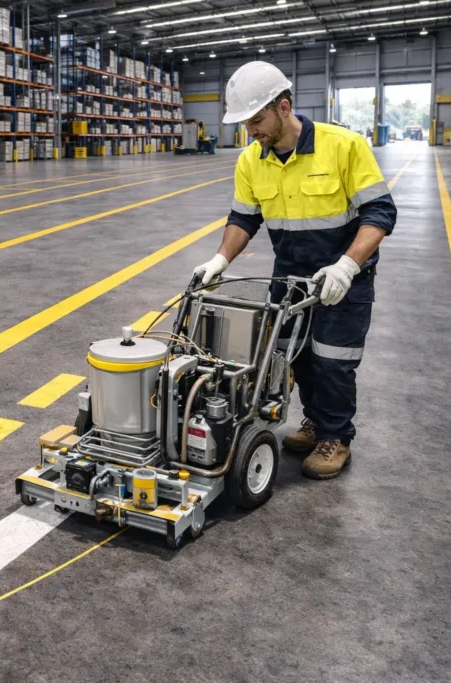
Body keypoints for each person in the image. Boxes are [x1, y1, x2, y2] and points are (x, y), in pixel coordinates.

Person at [192, 61, 397, 480]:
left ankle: (336, 437)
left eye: (257, 120)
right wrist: (220, 259)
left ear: (283, 108)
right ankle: (316, 421)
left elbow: (380, 212)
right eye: (245, 124)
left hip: (343, 279)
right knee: (293, 358)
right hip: (289, 281)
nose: (251, 132)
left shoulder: (344, 146)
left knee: (333, 362)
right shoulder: (252, 160)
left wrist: (346, 266)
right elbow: (244, 217)